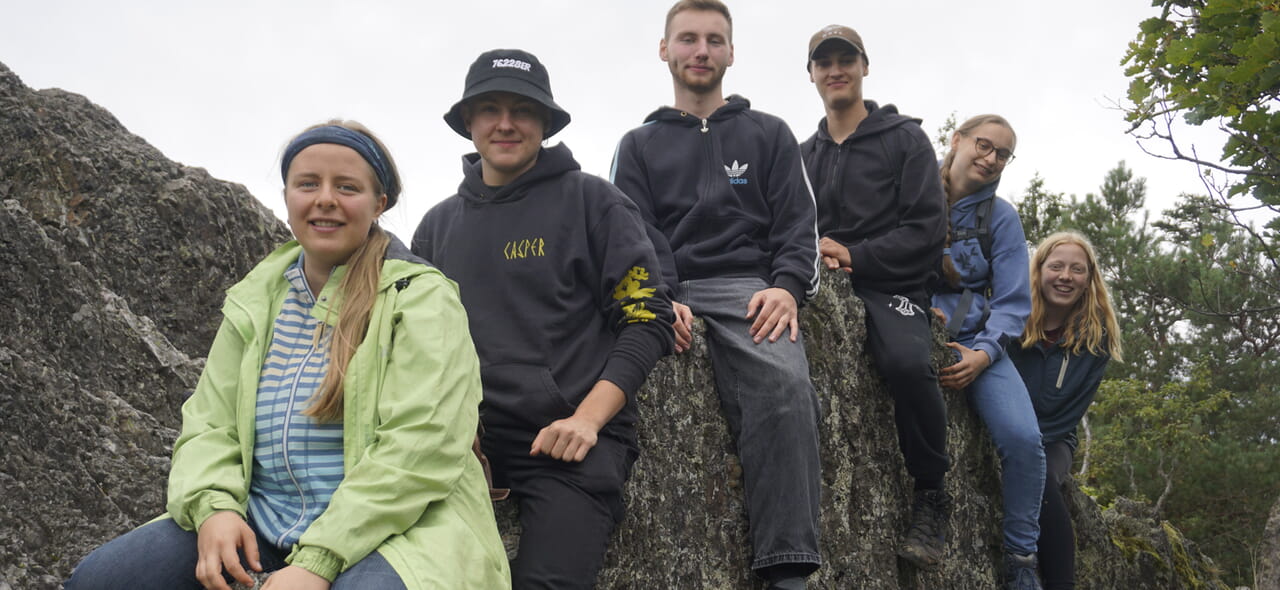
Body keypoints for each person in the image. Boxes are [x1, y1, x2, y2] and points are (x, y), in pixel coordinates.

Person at [65, 121, 511, 590]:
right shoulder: (257, 297)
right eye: (308, 184)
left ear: (379, 203)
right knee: (100, 580)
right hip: (263, 518)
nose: (325, 199)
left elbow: (421, 446)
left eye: (347, 187)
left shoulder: (421, 298)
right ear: (286, 196)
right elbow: (210, 423)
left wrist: (317, 561)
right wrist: (214, 508)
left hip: (398, 529)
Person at [411, 49, 675, 590]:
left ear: (546, 123)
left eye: (523, 110)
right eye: (490, 108)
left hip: (569, 445)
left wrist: (587, 420)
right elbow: (416, 345)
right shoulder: (436, 228)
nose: (505, 123)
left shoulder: (595, 203)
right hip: (460, 447)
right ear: (468, 121)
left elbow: (647, 318)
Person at [610, 2, 822, 588]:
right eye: (687, 39)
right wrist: (660, 297)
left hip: (746, 287)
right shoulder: (637, 144)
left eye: (713, 40)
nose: (700, 50)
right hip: (670, 285)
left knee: (786, 388)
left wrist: (787, 289)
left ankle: (787, 570)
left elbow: (798, 224)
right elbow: (629, 231)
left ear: (731, 52)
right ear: (665, 50)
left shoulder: (769, 133)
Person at [798, 24, 952, 572]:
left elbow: (927, 231)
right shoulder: (801, 154)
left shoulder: (904, 139)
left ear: (864, 67)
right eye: (824, 62)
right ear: (811, 74)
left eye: (846, 59)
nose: (835, 70)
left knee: (908, 363)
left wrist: (856, 255)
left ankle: (932, 494)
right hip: (817, 281)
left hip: (893, 284)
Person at [931, 114, 1045, 590]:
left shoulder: (1001, 218)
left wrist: (984, 355)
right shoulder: (912, 194)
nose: (991, 158)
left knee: (1024, 441)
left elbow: (1014, 303)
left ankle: (1021, 560)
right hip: (908, 326)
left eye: (1002, 154)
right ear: (957, 141)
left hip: (978, 343)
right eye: (984, 145)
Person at [1009, 232, 1123, 590]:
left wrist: (1026, 446)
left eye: (1077, 269)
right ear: (1038, 270)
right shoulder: (1011, 316)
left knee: (1040, 479)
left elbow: (1070, 411)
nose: (1065, 276)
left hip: (1054, 437)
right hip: (1002, 425)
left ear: (1089, 279)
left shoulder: (1096, 337)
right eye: (1056, 266)